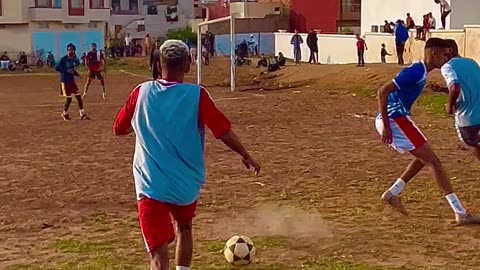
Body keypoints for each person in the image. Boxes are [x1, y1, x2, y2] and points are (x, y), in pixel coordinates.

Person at [113, 39, 260, 270]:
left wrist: (146, 121)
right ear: (188, 65)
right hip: (185, 185)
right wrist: (245, 154)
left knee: (158, 252)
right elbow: (222, 131)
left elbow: (119, 128)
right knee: (184, 226)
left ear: (158, 64)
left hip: (150, 184)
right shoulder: (197, 95)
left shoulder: (140, 92)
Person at [375, 37, 480, 225]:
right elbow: (382, 91)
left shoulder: (420, 71)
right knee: (434, 163)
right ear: (433, 53)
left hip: (398, 118)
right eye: (444, 54)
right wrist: (387, 126)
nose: (446, 59)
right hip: (395, 118)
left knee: (423, 159)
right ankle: (460, 212)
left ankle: (393, 193)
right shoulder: (416, 72)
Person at [436, 39, 480, 161]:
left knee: (469, 143)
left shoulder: (447, 67)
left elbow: (455, 87)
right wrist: (443, 89)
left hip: (467, 117)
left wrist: (449, 105)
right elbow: (469, 87)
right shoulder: (472, 62)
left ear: (448, 51)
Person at [55, 43, 89, 121]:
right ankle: (64, 113)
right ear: (67, 50)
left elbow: (72, 70)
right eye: (69, 49)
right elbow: (57, 67)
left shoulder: (73, 60)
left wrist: (77, 74)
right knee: (69, 100)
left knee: (79, 98)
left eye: (72, 50)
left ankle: (82, 114)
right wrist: (66, 70)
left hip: (72, 82)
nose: (71, 51)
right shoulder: (63, 59)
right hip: (65, 82)